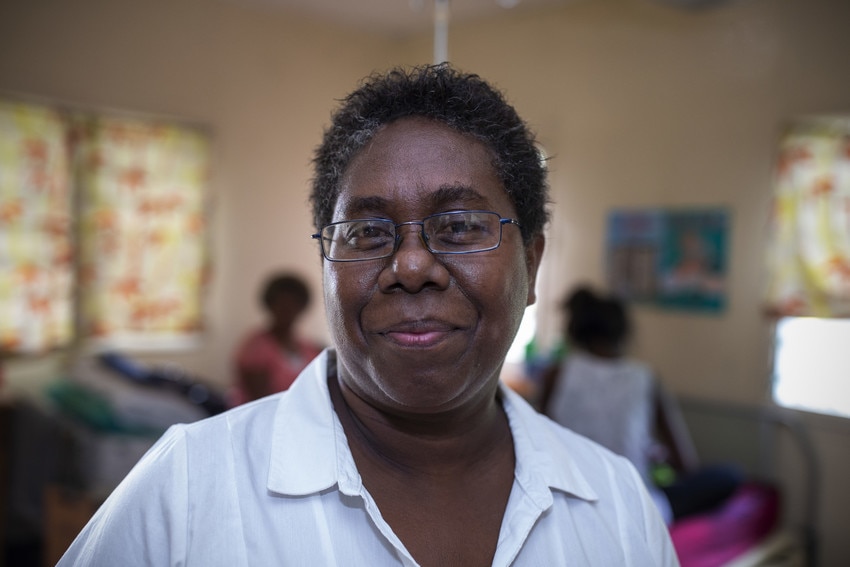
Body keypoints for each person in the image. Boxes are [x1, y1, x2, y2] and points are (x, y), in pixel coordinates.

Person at [58, 64, 678, 566]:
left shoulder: (617, 506)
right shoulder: (188, 488)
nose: (411, 266)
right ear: (326, 261)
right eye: (367, 230)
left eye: (459, 225)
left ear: (533, 264)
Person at [540, 285, 741, 524]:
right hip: (636, 507)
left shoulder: (557, 373)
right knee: (729, 475)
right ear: (623, 332)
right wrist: (655, 461)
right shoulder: (644, 378)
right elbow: (684, 464)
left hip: (569, 498)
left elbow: (540, 440)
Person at [229, 272, 322, 406]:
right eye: (282, 303)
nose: (287, 309)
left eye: (293, 303)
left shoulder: (309, 349)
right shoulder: (256, 348)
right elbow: (261, 401)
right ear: (270, 305)